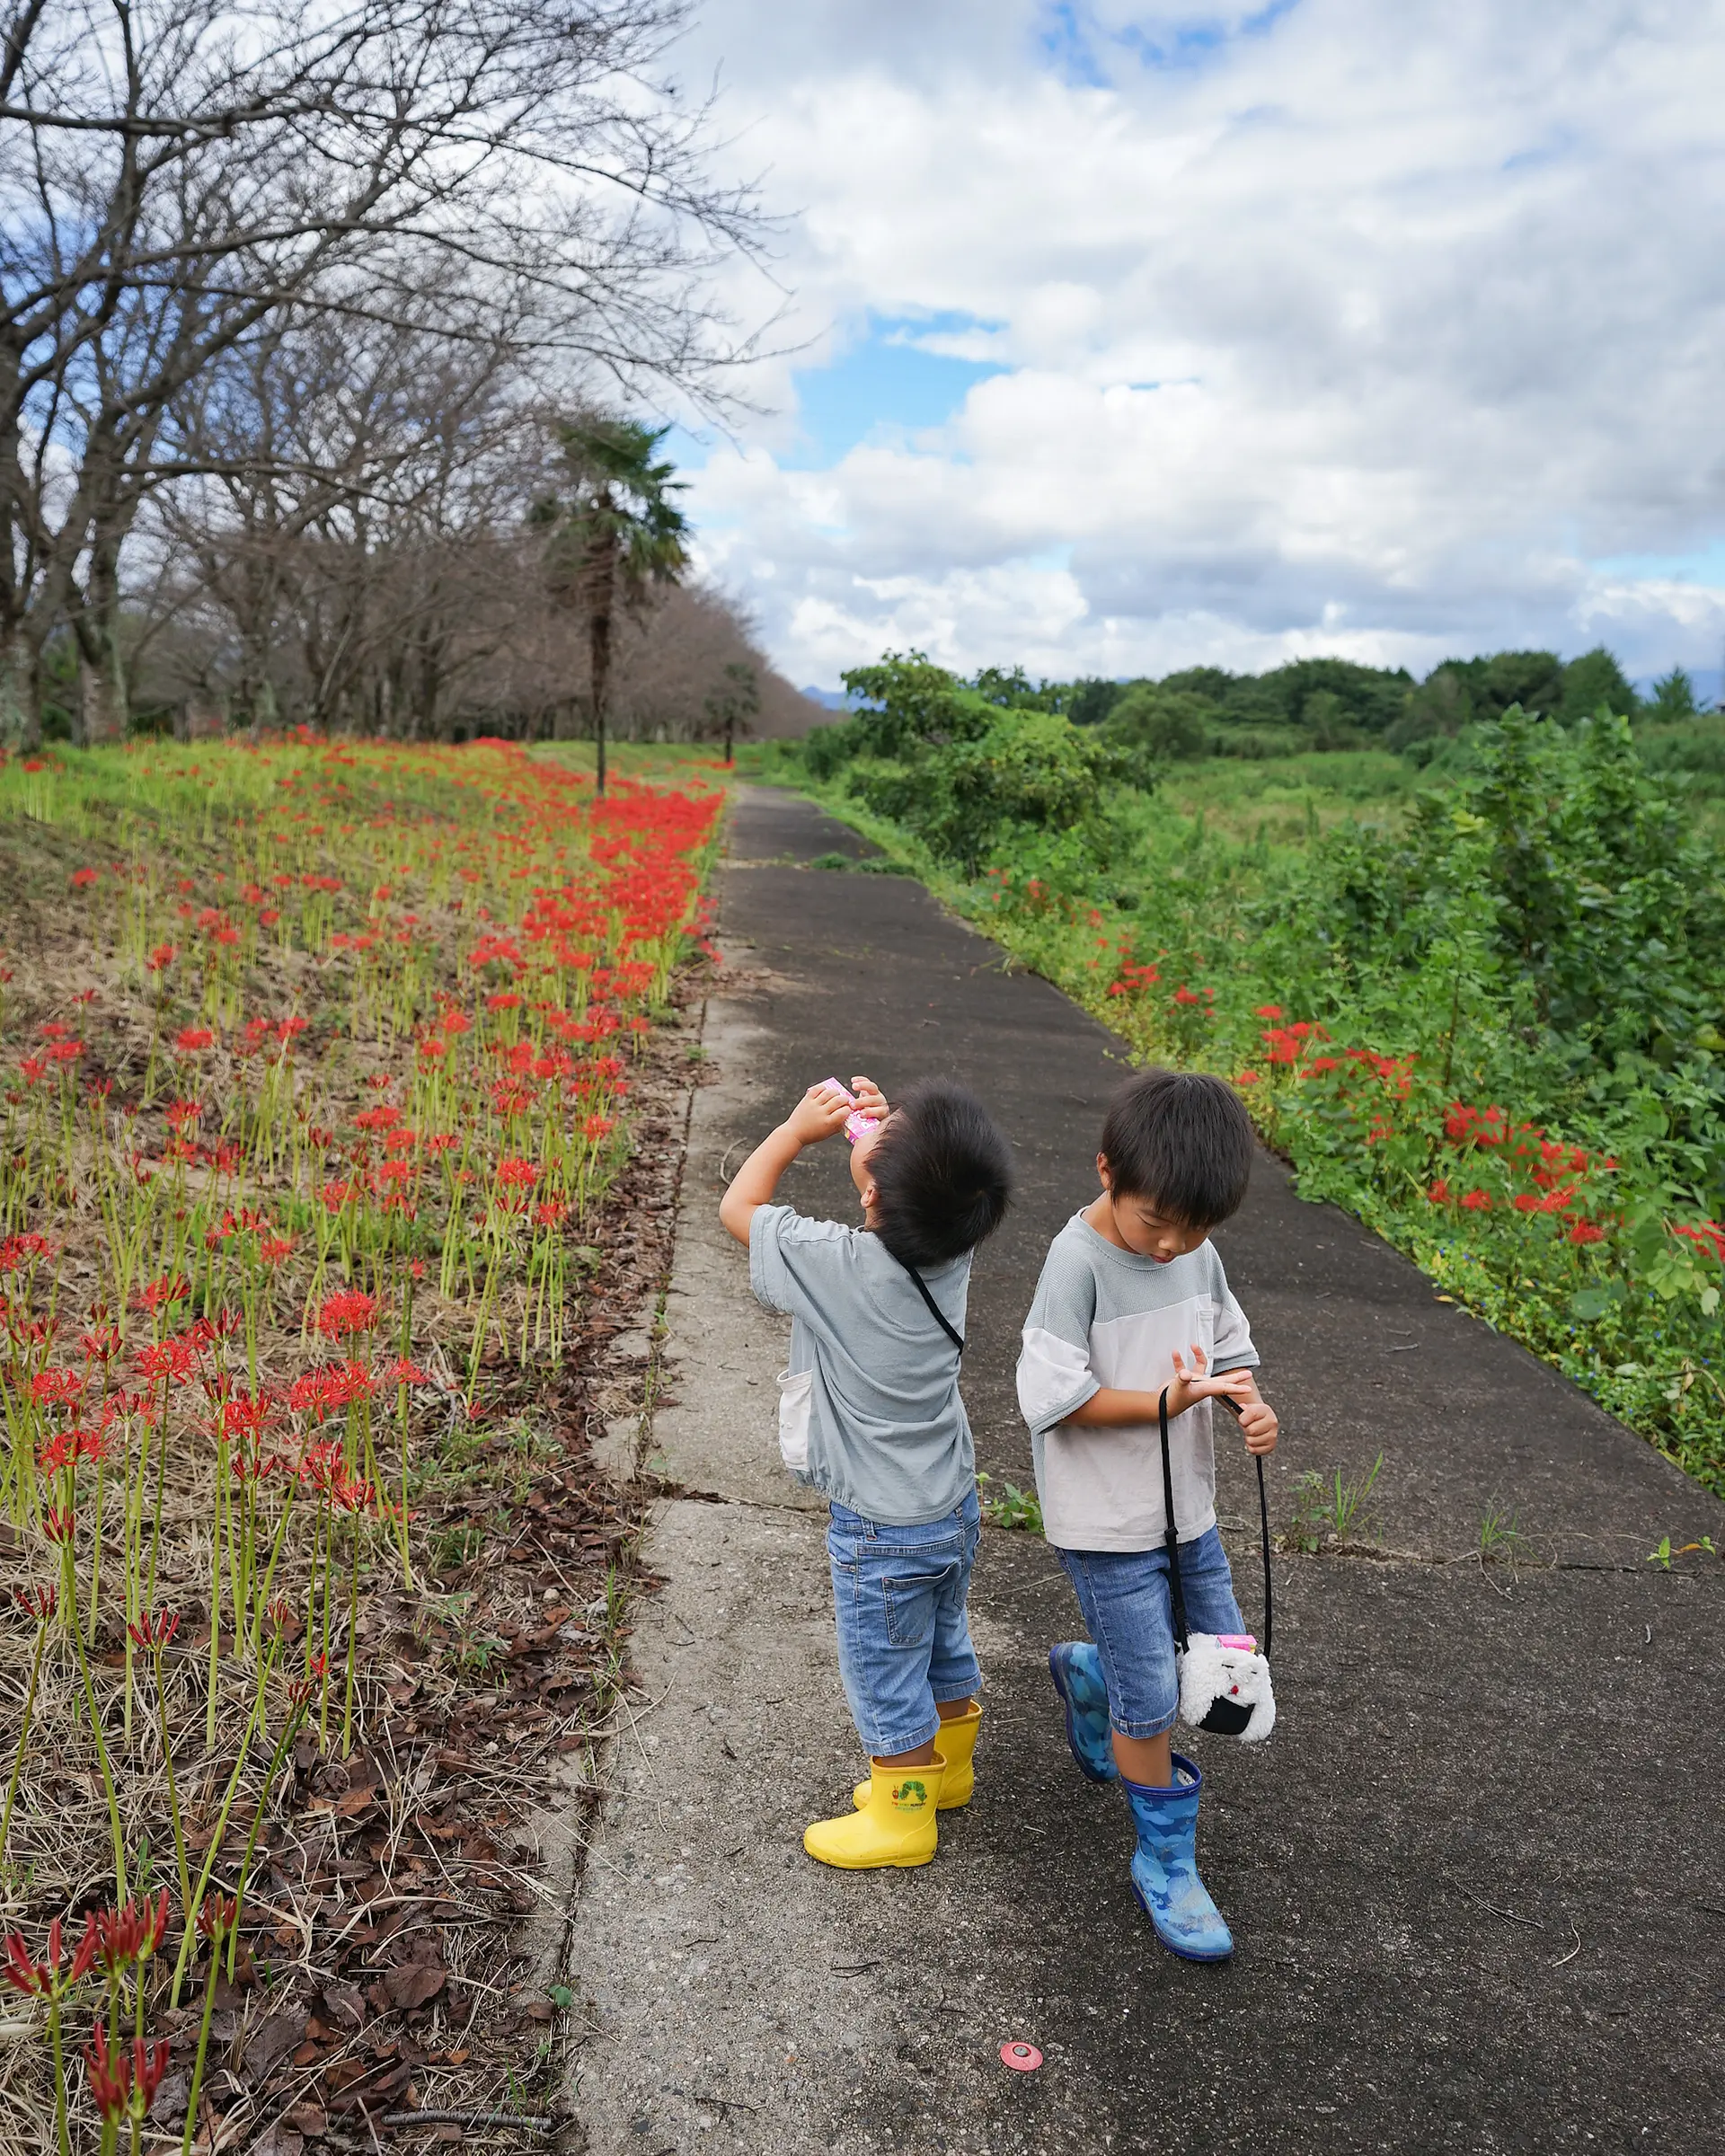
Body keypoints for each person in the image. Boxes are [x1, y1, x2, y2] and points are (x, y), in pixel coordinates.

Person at [1016, 1067, 1278, 1960]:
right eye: (1154, 1224)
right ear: (1105, 1172)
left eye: (1194, 1229)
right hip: (1104, 1523)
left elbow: (1230, 1356)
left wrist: (1249, 1407)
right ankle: (1166, 1863)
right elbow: (1050, 1397)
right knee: (1157, 1703)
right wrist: (1162, 1403)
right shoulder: (1076, 1262)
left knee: (1226, 1671)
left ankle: (1093, 1674)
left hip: (1188, 1512)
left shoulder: (1196, 1252)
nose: (1171, 1247)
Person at [720, 1074, 1013, 1869]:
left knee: (885, 1670)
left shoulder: (835, 1263)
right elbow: (927, 1190)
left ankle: (903, 1813)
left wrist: (792, 1131)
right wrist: (883, 1144)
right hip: (950, 1505)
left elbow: (737, 1211)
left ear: (878, 1193)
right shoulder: (954, 1245)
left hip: (880, 1528)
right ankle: (950, 1771)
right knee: (944, 1643)